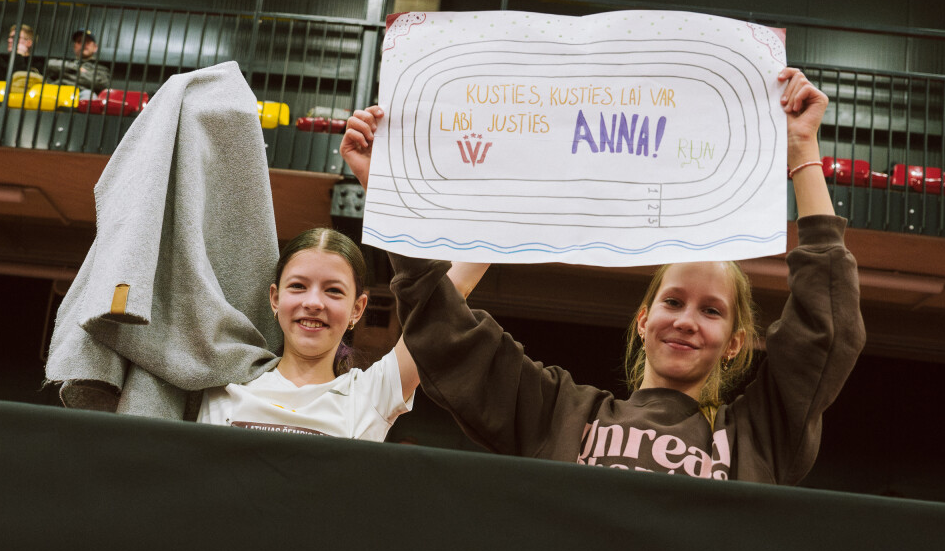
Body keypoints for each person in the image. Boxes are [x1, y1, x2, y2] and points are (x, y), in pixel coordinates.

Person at [339, 67, 862, 484]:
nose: (686, 320)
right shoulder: (563, 414)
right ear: (643, 320)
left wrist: (802, 150)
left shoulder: (757, 436)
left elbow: (826, 330)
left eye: (711, 310)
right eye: (673, 301)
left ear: (734, 343)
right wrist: (390, 194)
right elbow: (447, 333)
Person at [194, 228, 421, 441]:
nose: (313, 303)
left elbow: (434, 306)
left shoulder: (372, 396)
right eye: (298, 286)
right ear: (275, 299)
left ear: (357, 309)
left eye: (333, 290)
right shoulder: (224, 382)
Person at [44, 28, 111, 96]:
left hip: (82, 95)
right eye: (79, 41)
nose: (83, 44)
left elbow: (102, 84)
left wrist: (66, 74)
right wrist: (77, 69)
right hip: (57, 93)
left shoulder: (102, 69)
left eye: (87, 42)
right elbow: (50, 64)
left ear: (95, 47)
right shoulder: (69, 63)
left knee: (88, 95)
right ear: (74, 47)